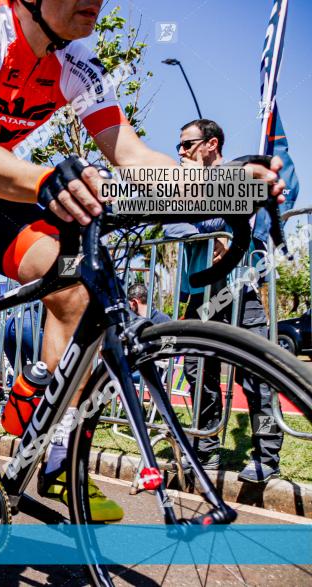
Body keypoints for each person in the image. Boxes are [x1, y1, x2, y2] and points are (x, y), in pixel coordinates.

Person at [0, 0, 286, 517]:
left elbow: (131, 158)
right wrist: (47, 180)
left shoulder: (79, 63)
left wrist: (225, 188)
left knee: (78, 295)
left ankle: (56, 457)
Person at [164, 118, 283, 483]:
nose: (181, 152)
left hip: (238, 289)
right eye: (179, 146)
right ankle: (206, 451)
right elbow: (172, 225)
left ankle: (266, 456)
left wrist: (213, 225)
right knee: (199, 373)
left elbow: (231, 216)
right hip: (200, 295)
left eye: (187, 144)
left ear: (211, 143)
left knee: (258, 372)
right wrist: (214, 234)